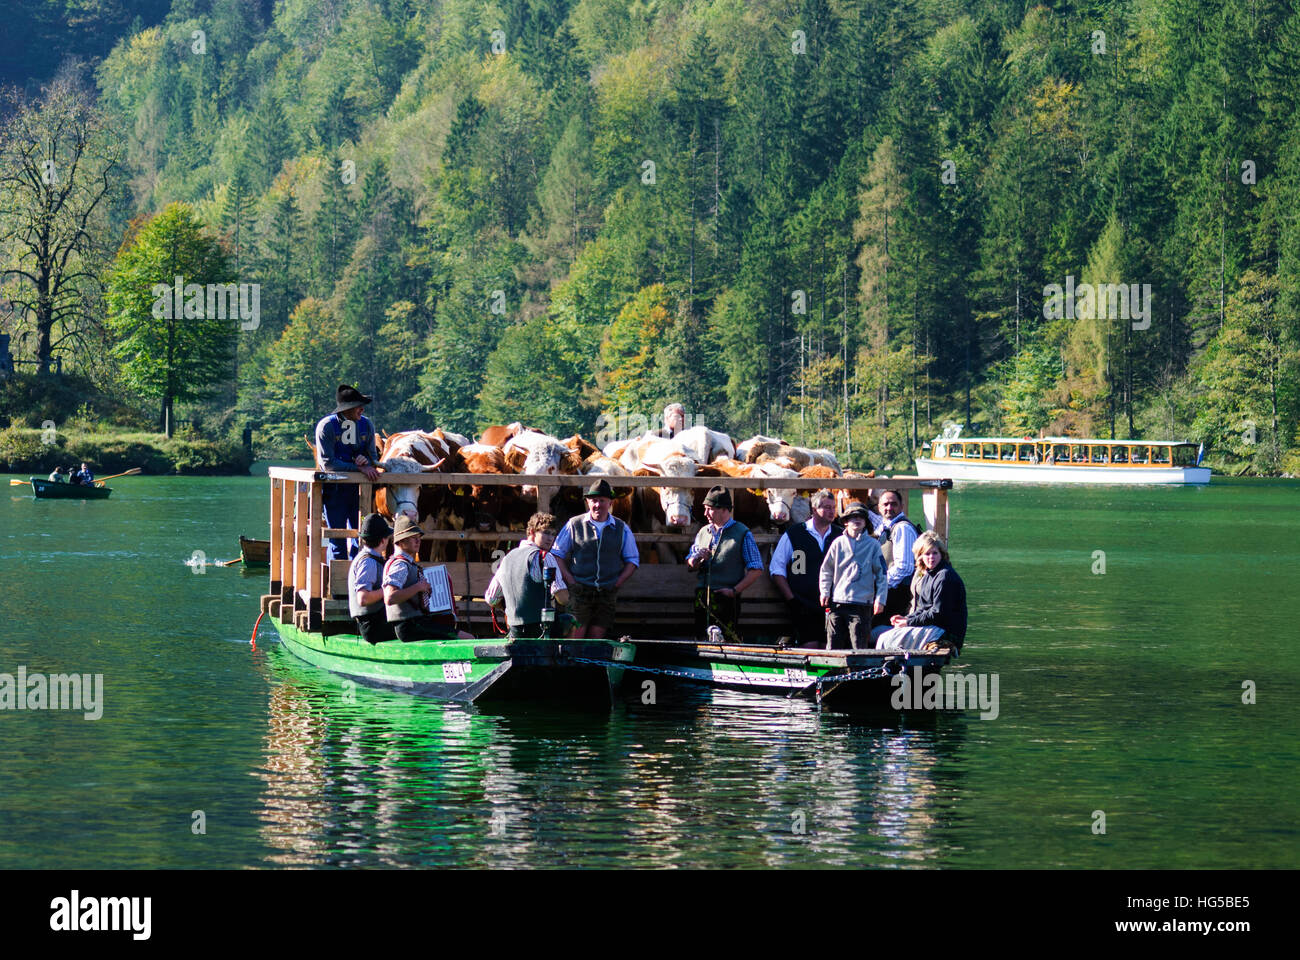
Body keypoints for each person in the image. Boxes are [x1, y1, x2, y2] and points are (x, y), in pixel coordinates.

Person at [552, 479, 639, 639]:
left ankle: (591, 665)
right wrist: (570, 581)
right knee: (575, 637)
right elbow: (557, 554)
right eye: (594, 501)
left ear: (610, 502)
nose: (598, 505)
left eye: (602, 501)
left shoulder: (621, 527)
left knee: (597, 638)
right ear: (587, 502)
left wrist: (617, 583)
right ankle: (573, 664)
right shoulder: (574, 524)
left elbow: (632, 560)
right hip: (580, 591)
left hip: (606, 593)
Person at [686, 486, 764, 643]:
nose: (705, 514)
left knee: (727, 641)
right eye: (705, 509)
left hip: (726, 600)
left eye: (710, 509)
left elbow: (756, 568)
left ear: (724, 510)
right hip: (702, 597)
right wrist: (697, 559)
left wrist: (734, 591)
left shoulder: (741, 533)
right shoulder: (703, 532)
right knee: (701, 640)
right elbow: (690, 564)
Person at [315, 384, 381, 561]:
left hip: (360, 491)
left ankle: (356, 578)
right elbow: (328, 464)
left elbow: (373, 458)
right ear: (348, 409)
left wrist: (366, 461)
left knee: (361, 537)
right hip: (334, 490)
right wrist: (358, 467)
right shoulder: (326, 427)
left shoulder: (367, 425)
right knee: (337, 538)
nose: (362, 409)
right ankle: (337, 586)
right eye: (358, 406)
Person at [382, 515, 474, 642]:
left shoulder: (403, 562)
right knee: (468, 638)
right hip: (410, 626)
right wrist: (419, 587)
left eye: (419, 538)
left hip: (414, 624)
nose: (418, 541)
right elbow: (390, 597)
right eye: (413, 538)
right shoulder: (400, 564)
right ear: (401, 541)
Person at [770, 490, 842, 648]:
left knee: (830, 648)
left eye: (833, 507)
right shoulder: (795, 534)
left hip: (834, 605)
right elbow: (777, 569)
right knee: (809, 648)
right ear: (814, 509)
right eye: (827, 507)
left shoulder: (840, 536)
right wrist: (792, 600)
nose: (831, 512)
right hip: (803, 605)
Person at [872, 532, 967, 653]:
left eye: (935, 553)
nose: (931, 557)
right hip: (933, 626)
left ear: (941, 555)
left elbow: (937, 613)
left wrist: (908, 622)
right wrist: (905, 618)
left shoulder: (945, 577)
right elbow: (923, 608)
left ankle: (888, 669)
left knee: (887, 639)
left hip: (945, 630)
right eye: (927, 554)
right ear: (920, 556)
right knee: (884, 635)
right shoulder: (929, 574)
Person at [485, 513, 575, 638]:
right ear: (532, 532)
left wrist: (511, 608)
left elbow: (491, 599)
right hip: (541, 629)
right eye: (546, 533)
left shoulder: (506, 558)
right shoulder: (544, 556)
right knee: (571, 620)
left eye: (553, 534)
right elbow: (562, 598)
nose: (550, 539)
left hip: (514, 630)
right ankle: (563, 657)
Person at [818, 501, 887, 650]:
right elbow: (826, 570)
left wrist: (880, 600)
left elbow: (882, 574)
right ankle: (833, 673)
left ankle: (857, 673)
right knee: (833, 646)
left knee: (859, 647)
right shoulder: (837, 543)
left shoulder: (873, 545)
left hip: (862, 605)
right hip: (837, 603)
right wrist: (824, 592)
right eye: (852, 517)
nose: (857, 520)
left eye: (861, 517)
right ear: (845, 522)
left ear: (865, 522)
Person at [872, 489, 919, 628]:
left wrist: (878, 585)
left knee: (881, 631)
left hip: (898, 593)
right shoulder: (884, 526)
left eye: (894, 504)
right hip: (889, 591)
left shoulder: (902, 528)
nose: (889, 508)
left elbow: (904, 567)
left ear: (901, 506)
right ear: (879, 507)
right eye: (885, 504)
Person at [349, 513, 396, 644]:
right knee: (409, 626)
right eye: (387, 537)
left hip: (376, 620)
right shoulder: (368, 562)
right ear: (382, 541)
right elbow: (363, 598)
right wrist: (388, 590)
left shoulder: (369, 557)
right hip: (373, 626)